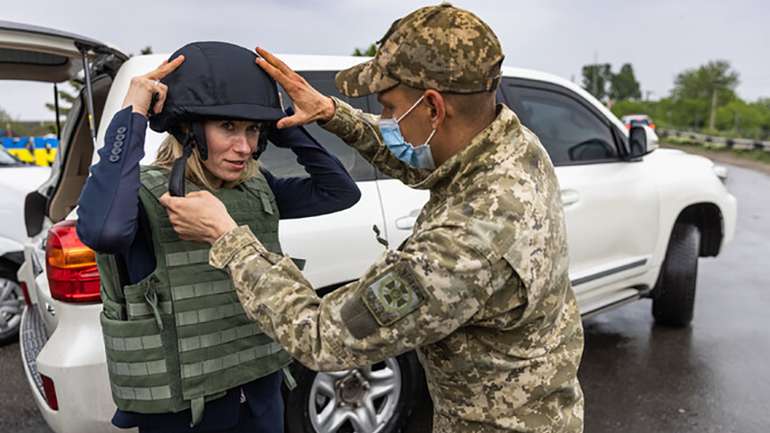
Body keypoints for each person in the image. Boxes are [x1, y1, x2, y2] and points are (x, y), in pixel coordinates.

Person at [161, 4, 584, 432]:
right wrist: (332, 112)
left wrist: (229, 239)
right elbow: (424, 162)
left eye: (387, 106)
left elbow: (323, 336)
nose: (383, 120)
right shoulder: (511, 144)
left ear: (435, 109)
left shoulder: (465, 244)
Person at [76, 41, 360, 433]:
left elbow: (341, 192)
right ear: (189, 128)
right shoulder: (143, 196)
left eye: (252, 130)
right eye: (228, 126)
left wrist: (282, 124)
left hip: (261, 397)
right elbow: (103, 231)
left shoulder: (258, 189)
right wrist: (132, 112)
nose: (244, 147)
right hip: (185, 413)